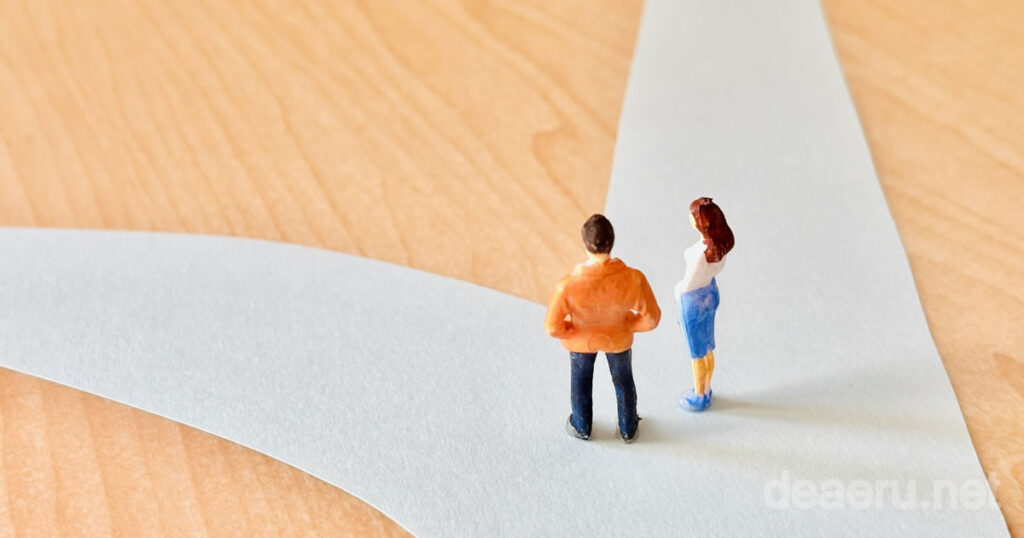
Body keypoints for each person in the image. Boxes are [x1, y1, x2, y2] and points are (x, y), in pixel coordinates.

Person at [545, 214, 660, 443]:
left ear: (585, 244)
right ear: (612, 241)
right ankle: (628, 428)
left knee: (580, 382)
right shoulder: (633, 279)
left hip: (580, 341)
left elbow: (552, 326)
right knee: (623, 380)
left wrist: (571, 330)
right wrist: (628, 324)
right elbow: (652, 319)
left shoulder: (568, 286)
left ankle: (581, 426)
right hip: (618, 339)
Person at [675, 197, 735, 412]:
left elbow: (688, 283)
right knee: (707, 347)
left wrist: (677, 291)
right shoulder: (718, 249)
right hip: (710, 292)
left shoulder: (702, 255)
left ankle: (700, 394)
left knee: (697, 353)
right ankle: (707, 388)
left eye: (693, 215)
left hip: (693, 300)